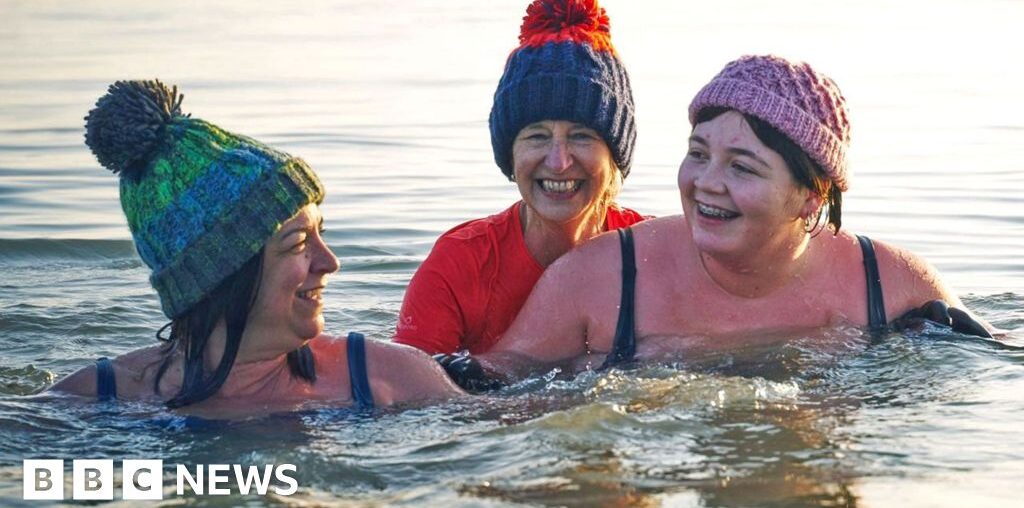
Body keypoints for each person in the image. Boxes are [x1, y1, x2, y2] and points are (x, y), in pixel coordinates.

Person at [440, 54, 994, 387]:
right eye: (698, 153)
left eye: (742, 166)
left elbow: (992, 370)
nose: (706, 182)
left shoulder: (892, 284)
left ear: (810, 195)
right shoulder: (598, 279)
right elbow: (476, 396)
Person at [49, 80, 462, 415]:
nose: (330, 262)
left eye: (322, 234)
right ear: (223, 273)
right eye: (298, 242)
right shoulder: (92, 402)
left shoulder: (388, 378)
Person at [394, 0, 648, 355]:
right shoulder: (458, 267)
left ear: (615, 157)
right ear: (510, 156)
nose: (559, 162)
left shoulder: (654, 256)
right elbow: (407, 398)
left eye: (581, 136)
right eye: (537, 136)